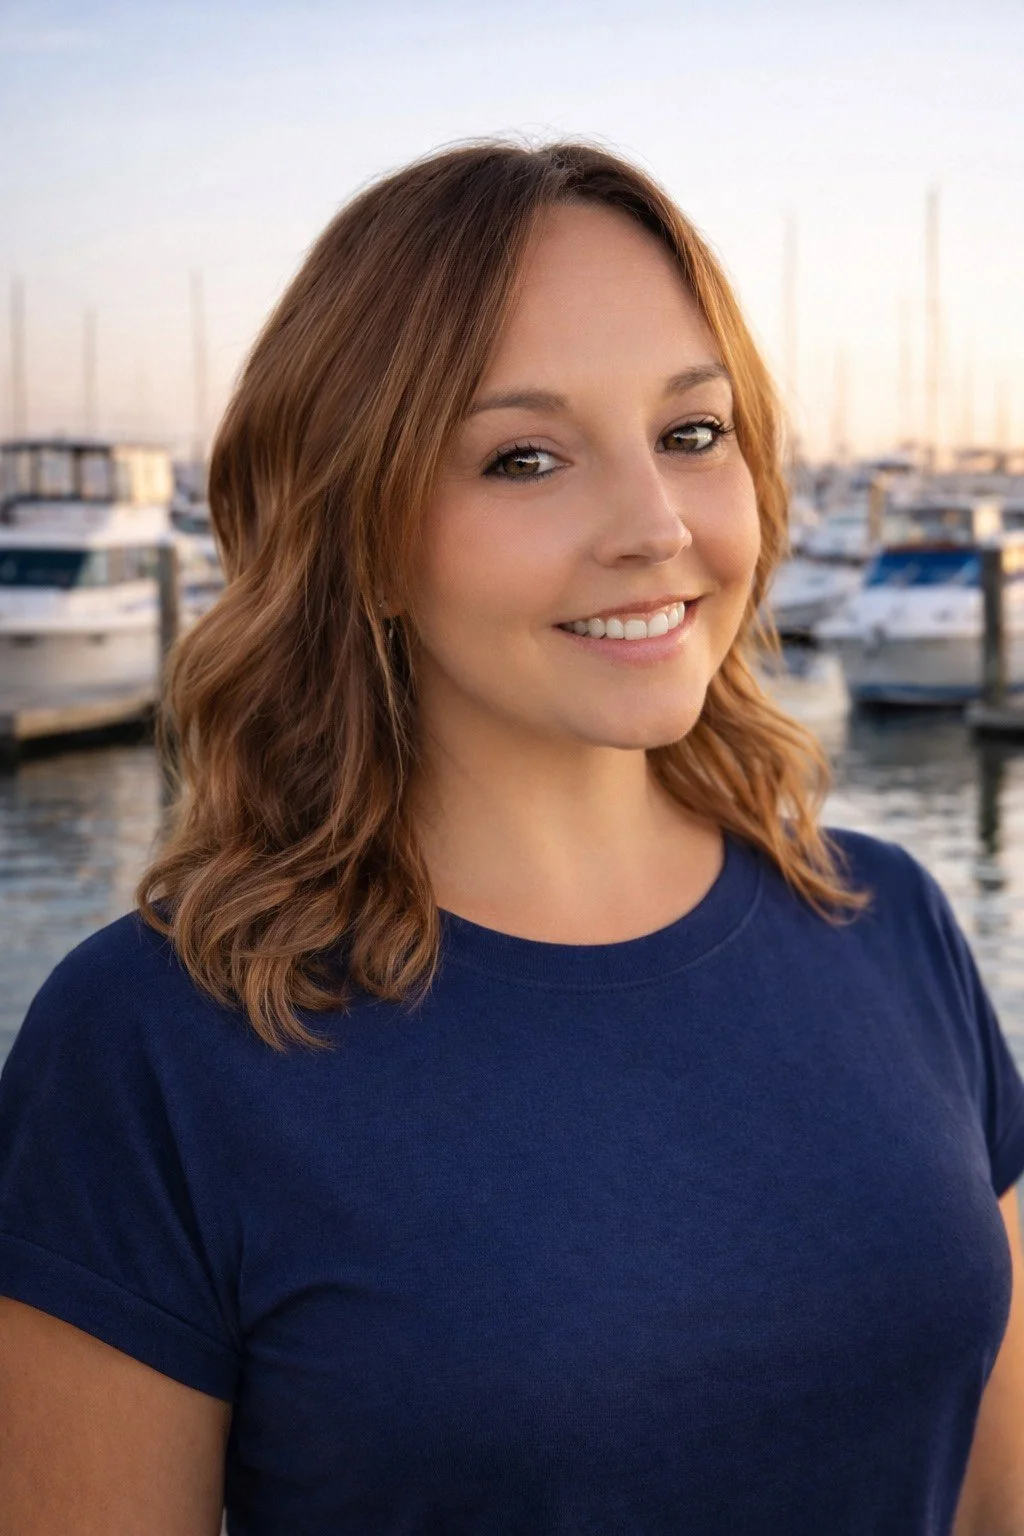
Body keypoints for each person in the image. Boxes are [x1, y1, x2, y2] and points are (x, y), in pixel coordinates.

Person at [1, 141, 1022, 1536]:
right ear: (358, 529)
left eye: (693, 432)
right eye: (525, 456)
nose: (654, 527)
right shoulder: (151, 1044)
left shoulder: (892, 924)